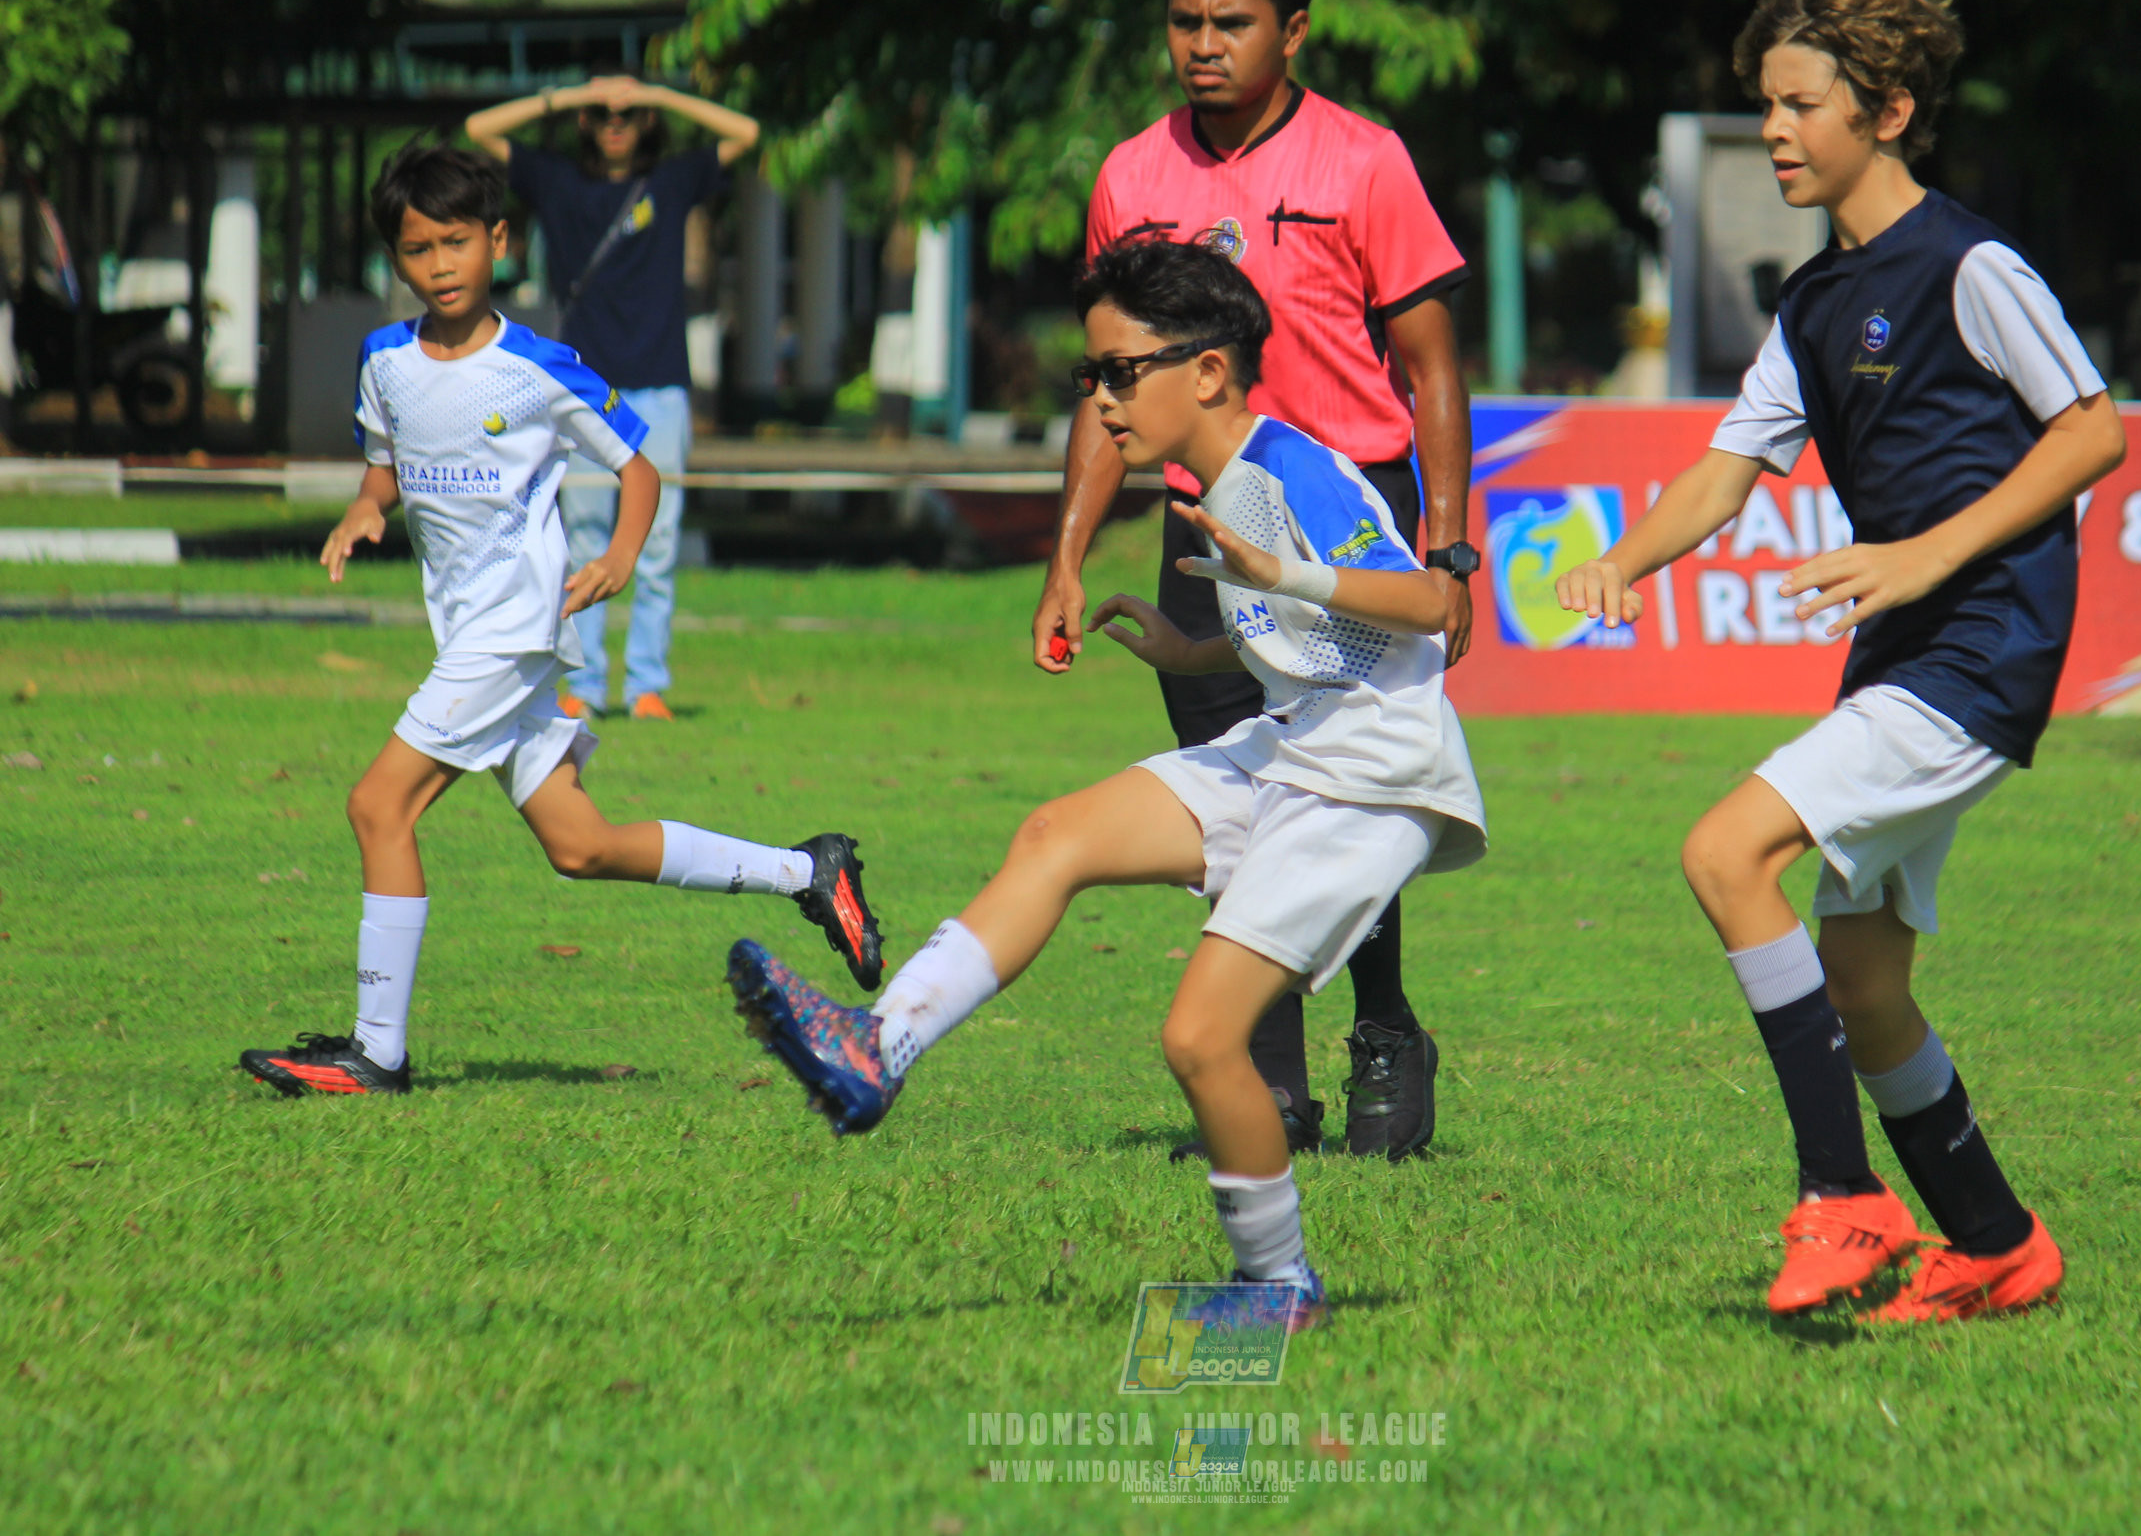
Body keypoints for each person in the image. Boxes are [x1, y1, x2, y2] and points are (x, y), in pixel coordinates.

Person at [723, 239, 1485, 1322]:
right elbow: (1311, 632)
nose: (1101, 400)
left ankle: (1278, 1286)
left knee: (1200, 1036)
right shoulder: (1221, 487)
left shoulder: (1289, 468)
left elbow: (1427, 608)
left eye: (1120, 372)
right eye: (1090, 376)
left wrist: (1280, 572)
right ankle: (875, 1044)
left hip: (1370, 776)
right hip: (1294, 741)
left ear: (1209, 372)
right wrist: (1196, 652)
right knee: (1056, 833)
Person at [1557, 0, 2126, 1322]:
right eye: (1762, 104)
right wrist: (1621, 560)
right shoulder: (1812, 305)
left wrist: (1923, 554)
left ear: (1885, 108)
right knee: (1863, 982)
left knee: (1721, 851)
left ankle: (1840, 1195)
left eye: (1796, 103)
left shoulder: (1969, 265)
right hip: (1902, 659)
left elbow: (2091, 429)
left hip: (1978, 645)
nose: (1770, 130)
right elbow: (1725, 467)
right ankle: (1993, 1241)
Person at [238, 146, 881, 1098]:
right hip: (469, 634)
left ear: (498, 241)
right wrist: (366, 505)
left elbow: (640, 467)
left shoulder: (539, 368)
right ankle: (809, 872)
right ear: (397, 259)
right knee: (580, 847)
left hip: (514, 628)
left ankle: (377, 1053)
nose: (440, 264)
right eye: (418, 249)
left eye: (457, 242)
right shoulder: (383, 360)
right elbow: (387, 457)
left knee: (379, 805)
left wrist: (621, 553)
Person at [1031, 0, 1479, 1163]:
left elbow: (1432, 365)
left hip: (1351, 516)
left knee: (1351, 784)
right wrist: (1069, 555)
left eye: (1230, 25)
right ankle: (1266, 1079)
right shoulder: (1130, 174)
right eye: (1184, 23)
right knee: (1242, 792)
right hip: (1211, 520)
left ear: (1291, 30)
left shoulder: (1366, 161)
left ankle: (1383, 1025)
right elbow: (1106, 383)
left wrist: (1447, 553)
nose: (1203, 47)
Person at [465, 75, 760, 723]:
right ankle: (586, 683)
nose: (614, 124)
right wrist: (571, 96)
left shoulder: (671, 182)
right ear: (584, 123)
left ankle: (646, 684)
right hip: (585, 388)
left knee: (656, 542)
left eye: (626, 116)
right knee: (584, 537)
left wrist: (655, 94)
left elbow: (746, 133)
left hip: (661, 385)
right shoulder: (559, 182)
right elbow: (480, 130)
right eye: (602, 115)